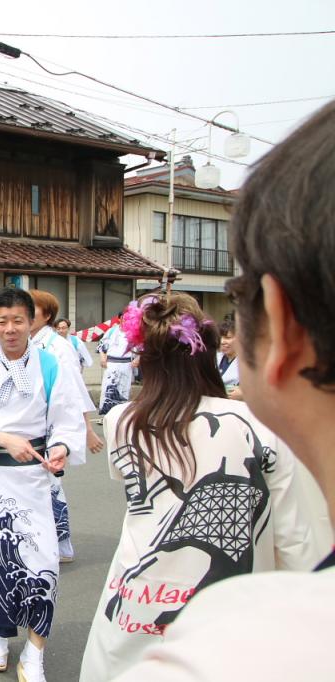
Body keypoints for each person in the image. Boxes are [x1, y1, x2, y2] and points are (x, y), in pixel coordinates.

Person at [112, 98, 335, 682]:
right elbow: (298, 546)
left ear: (281, 327)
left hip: (131, 613)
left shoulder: (124, 421)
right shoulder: (254, 430)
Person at [80, 293, 323, 681]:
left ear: (146, 359)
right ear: (207, 355)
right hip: (235, 616)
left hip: (134, 602)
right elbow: (297, 540)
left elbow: (139, 493)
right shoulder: (262, 423)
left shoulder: (122, 420)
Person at [0, 287, 87, 681]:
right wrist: (7, 439)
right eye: (2, 321)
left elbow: (66, 420)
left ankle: (35, 650)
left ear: (32, 322)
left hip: (37, 480)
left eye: (18, 321)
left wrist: (60, 447)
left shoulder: (51, 365)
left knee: (43, 563)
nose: (10, 329)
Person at [28, 290, 103, 565]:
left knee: (50, 482)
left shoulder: (58, 347)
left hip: (52, 424)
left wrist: (86, 429)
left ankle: (61, 544)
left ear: (47, 315)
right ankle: (41, 540)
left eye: (32, 309)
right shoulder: (28, 343)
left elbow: (73, 390)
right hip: (31, 422)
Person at [98, 312, 136, 415]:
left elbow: (141, 348)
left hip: (126, 364)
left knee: (123, 389)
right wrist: (102, 357)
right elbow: (102, 345)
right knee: (108, 388)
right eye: (124, 318)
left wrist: (138, 359)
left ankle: (121, 415)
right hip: (111, 364)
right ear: (119, 319)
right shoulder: (111, 331)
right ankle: (106, 415)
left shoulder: (134, 332)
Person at [217, 319, 242, 399]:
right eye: (220, 338)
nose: (222, 342)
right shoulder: (215, 357)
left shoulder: (246, 362)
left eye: (227, 337)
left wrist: (243, 394)